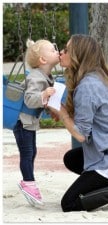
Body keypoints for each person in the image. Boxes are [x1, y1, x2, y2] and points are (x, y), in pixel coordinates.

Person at [48, 34, 108, 212]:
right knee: (72, 159)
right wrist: (63, 114)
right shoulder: (97, 78)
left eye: (66, 50)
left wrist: (63, 113)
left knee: (69, 203)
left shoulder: (87, 85)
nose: (61, 52)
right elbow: (86, 123)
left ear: (78, 55)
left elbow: (81, 135)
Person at [14, 39, 59, 206]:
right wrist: (45, 94)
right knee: (27, 153)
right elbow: (29, 99)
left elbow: (41, 102)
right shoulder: (35, 77)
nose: (57, 51)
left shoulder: (45, 76)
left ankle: (29, 182)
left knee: (32, 153)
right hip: (22, 122)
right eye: (53, 50)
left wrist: (48, 106)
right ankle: (28, 182)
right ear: (43, 60)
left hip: (28, 122)